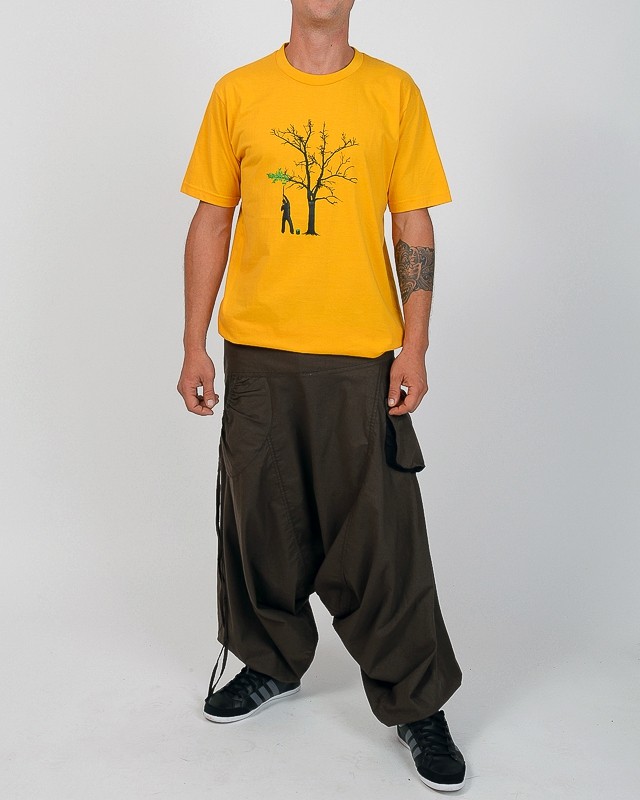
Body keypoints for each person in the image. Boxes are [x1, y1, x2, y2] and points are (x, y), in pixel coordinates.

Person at [177, 0, 466, 792]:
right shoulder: (238, 92)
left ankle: (417, 703)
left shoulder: (392, 92)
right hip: (258, 354)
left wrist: (415, 344)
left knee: (383, 538)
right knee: (259, 522)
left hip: (359, 356)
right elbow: (213, 218)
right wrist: (195, 342)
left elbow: (413, 220)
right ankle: (270, 660)